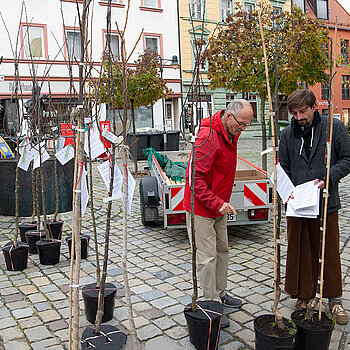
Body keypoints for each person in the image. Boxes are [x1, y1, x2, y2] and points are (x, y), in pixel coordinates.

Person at [279, 89, 350, 325]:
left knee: (328, 251)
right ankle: (304, 294)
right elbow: (284, 167)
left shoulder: (333, 128)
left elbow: (347, 159)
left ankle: (335, 299)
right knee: (301, 250)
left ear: (313, 107)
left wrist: (329, 176)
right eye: (295, 113)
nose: (299, 117)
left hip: (326, 201)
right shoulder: (287, 134)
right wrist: (286, 191)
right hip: (298, 204)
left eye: (303, 111)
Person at [183, 100, 253, 327]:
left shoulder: (230, 132)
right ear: (228, 116)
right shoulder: (208, 137)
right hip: (202, 208)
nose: (242, 130)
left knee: (222, 250)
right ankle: (210, 305)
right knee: (207, 257)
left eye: (246, 126)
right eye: (240, 124)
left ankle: (220, 294)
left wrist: (220, 203)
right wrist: (215, 203)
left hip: (219, 206)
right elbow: (194, 179)